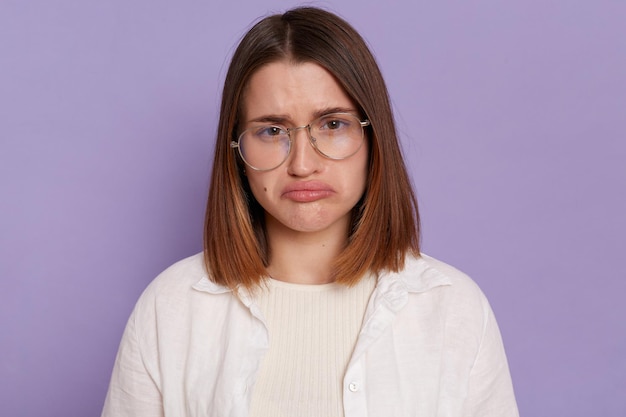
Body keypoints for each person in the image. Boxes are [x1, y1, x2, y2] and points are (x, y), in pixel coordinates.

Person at [102, 7, 518, 417]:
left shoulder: (452, 308)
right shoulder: (171, 307)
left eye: (333, 125)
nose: (302, 163)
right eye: (271, 130)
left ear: (374, 137)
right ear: (237, 150)